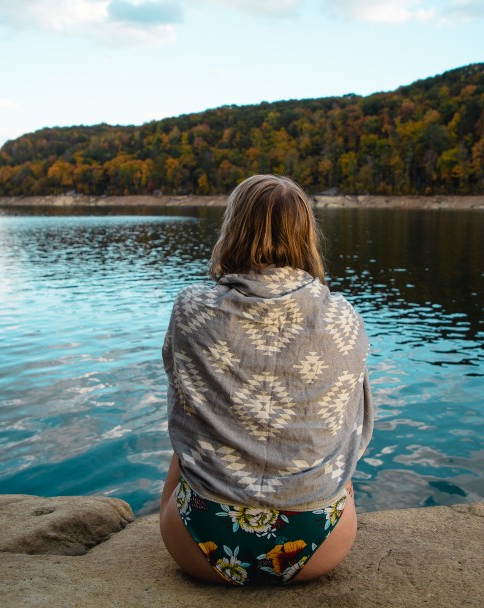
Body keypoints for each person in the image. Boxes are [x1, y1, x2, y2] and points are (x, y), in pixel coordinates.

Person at [159, 174, 374, 586]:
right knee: (338, 438)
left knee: (191, 417)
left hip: (197, 540)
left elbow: (180, 400)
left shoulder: (190, 308)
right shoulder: (342, 314)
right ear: (306, 234)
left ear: (233, 228)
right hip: (319, 544)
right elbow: (355, 427)